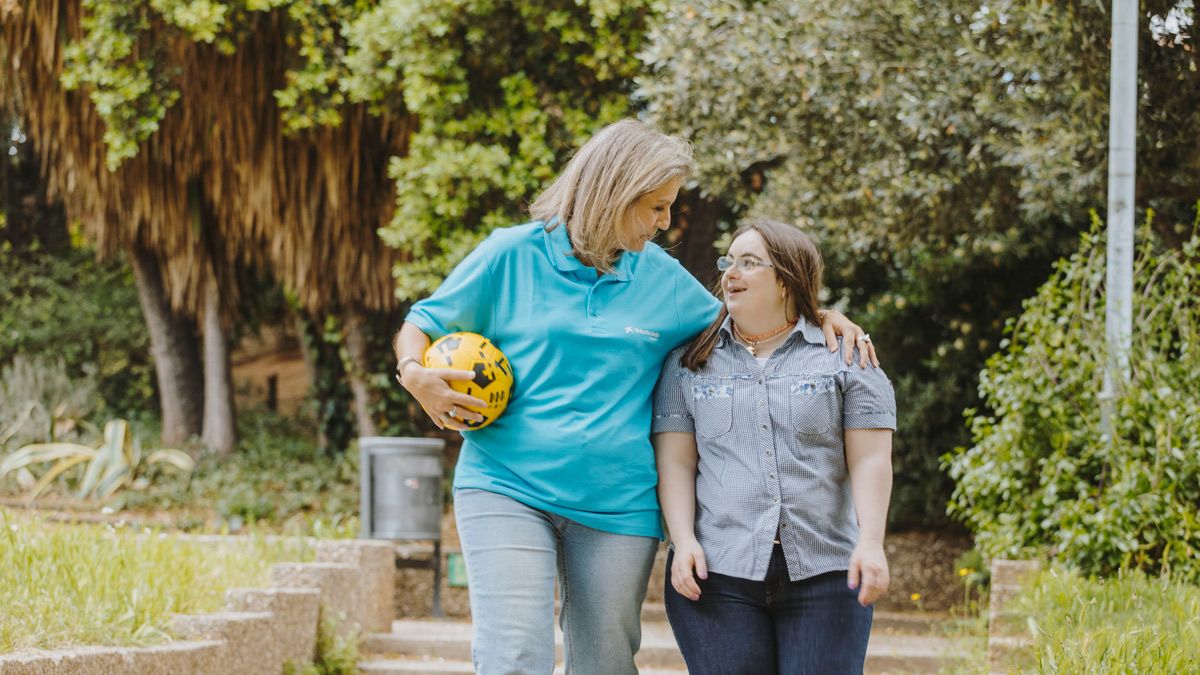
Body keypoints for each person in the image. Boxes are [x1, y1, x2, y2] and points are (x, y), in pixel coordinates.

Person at [391, 120, 877, 675]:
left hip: (618, 505)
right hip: (506, 484)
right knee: (514, 655)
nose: (666, 222)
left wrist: (820, 317)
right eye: (656, 207)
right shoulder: (511, 254)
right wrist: (415, 373)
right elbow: (422, 322)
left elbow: (744, 323)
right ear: (613, 192)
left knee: (604, 664)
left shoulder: (662, 280)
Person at [652, 220, 896, 675]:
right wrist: (682, 540)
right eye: (728, 262)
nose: (730, 273)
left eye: (749, 263)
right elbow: (676, 463)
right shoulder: (688, 363)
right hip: (718, 575)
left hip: (826, 573)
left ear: (786, 278)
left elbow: (870, 460)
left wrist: (871, 541)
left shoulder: (847, 356)